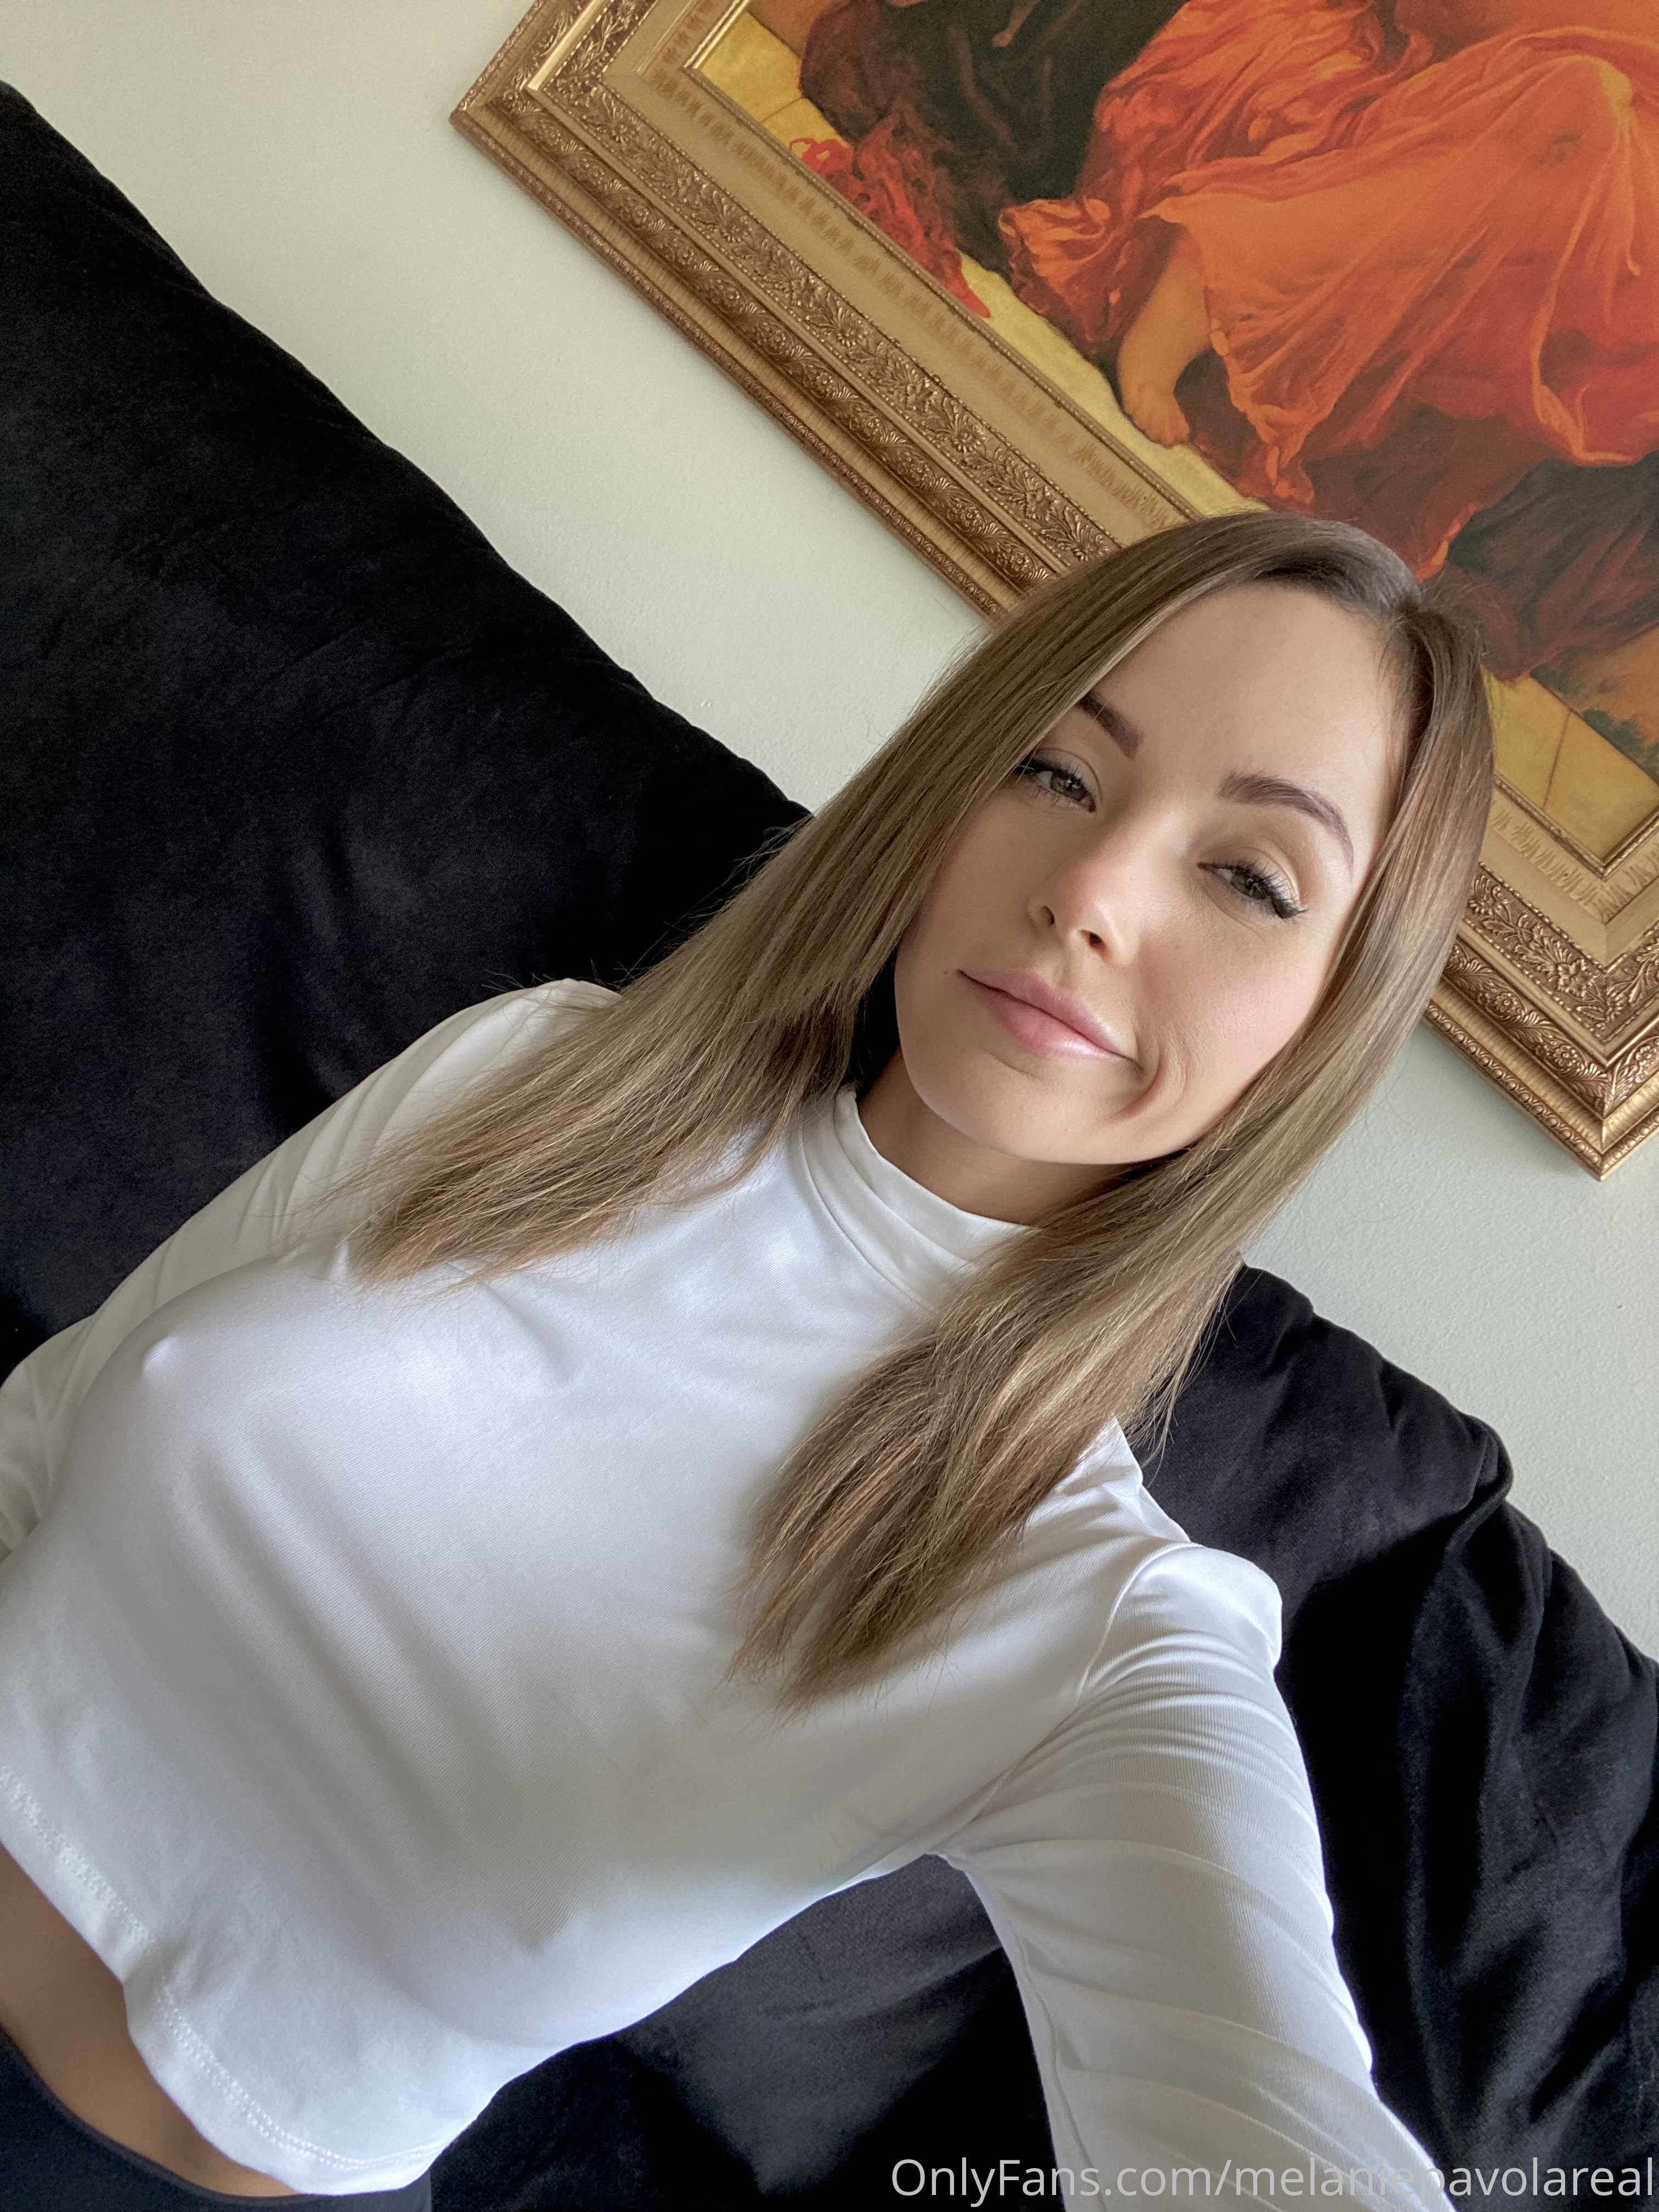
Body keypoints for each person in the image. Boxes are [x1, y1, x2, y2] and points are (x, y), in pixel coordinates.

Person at [0, 513, 1491, 2207]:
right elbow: (43, 1431)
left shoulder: (1103, 1627)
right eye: (1057, 772)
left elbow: (1257, 2119)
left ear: (1330, 1021)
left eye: (1248, 878)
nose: (1090, 892)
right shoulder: (531, 1071)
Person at [995, 0, 1659, 581]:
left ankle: (1229, 262)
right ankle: (1219, 268)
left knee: (1608, 165)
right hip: (1523, 50)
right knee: (1586, 106)